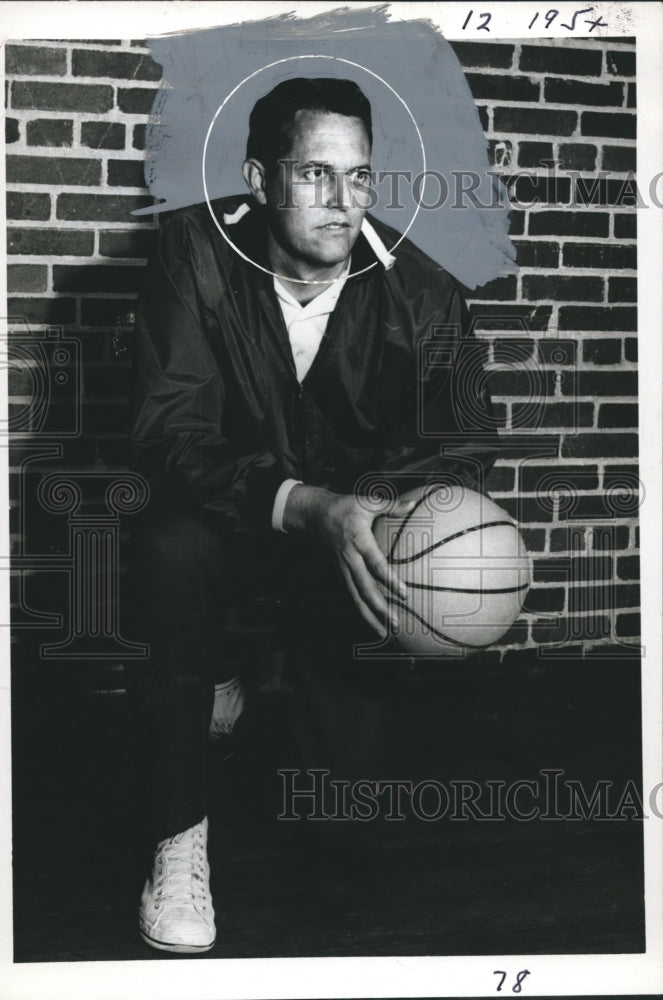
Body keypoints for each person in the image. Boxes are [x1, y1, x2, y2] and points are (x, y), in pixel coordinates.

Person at [128, 77, 499, 954]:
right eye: (316, 175)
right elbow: (165, 428)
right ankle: (178, 833)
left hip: (345, 549)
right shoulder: (193, 252)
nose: (344, 202)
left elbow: (463, 441)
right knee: (165, 546)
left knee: (335, 821)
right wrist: (298, 503)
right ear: (259, 178)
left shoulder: (427, 291)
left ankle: (255, 688)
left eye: (361, 177)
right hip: (225, 527)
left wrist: (369, 509)